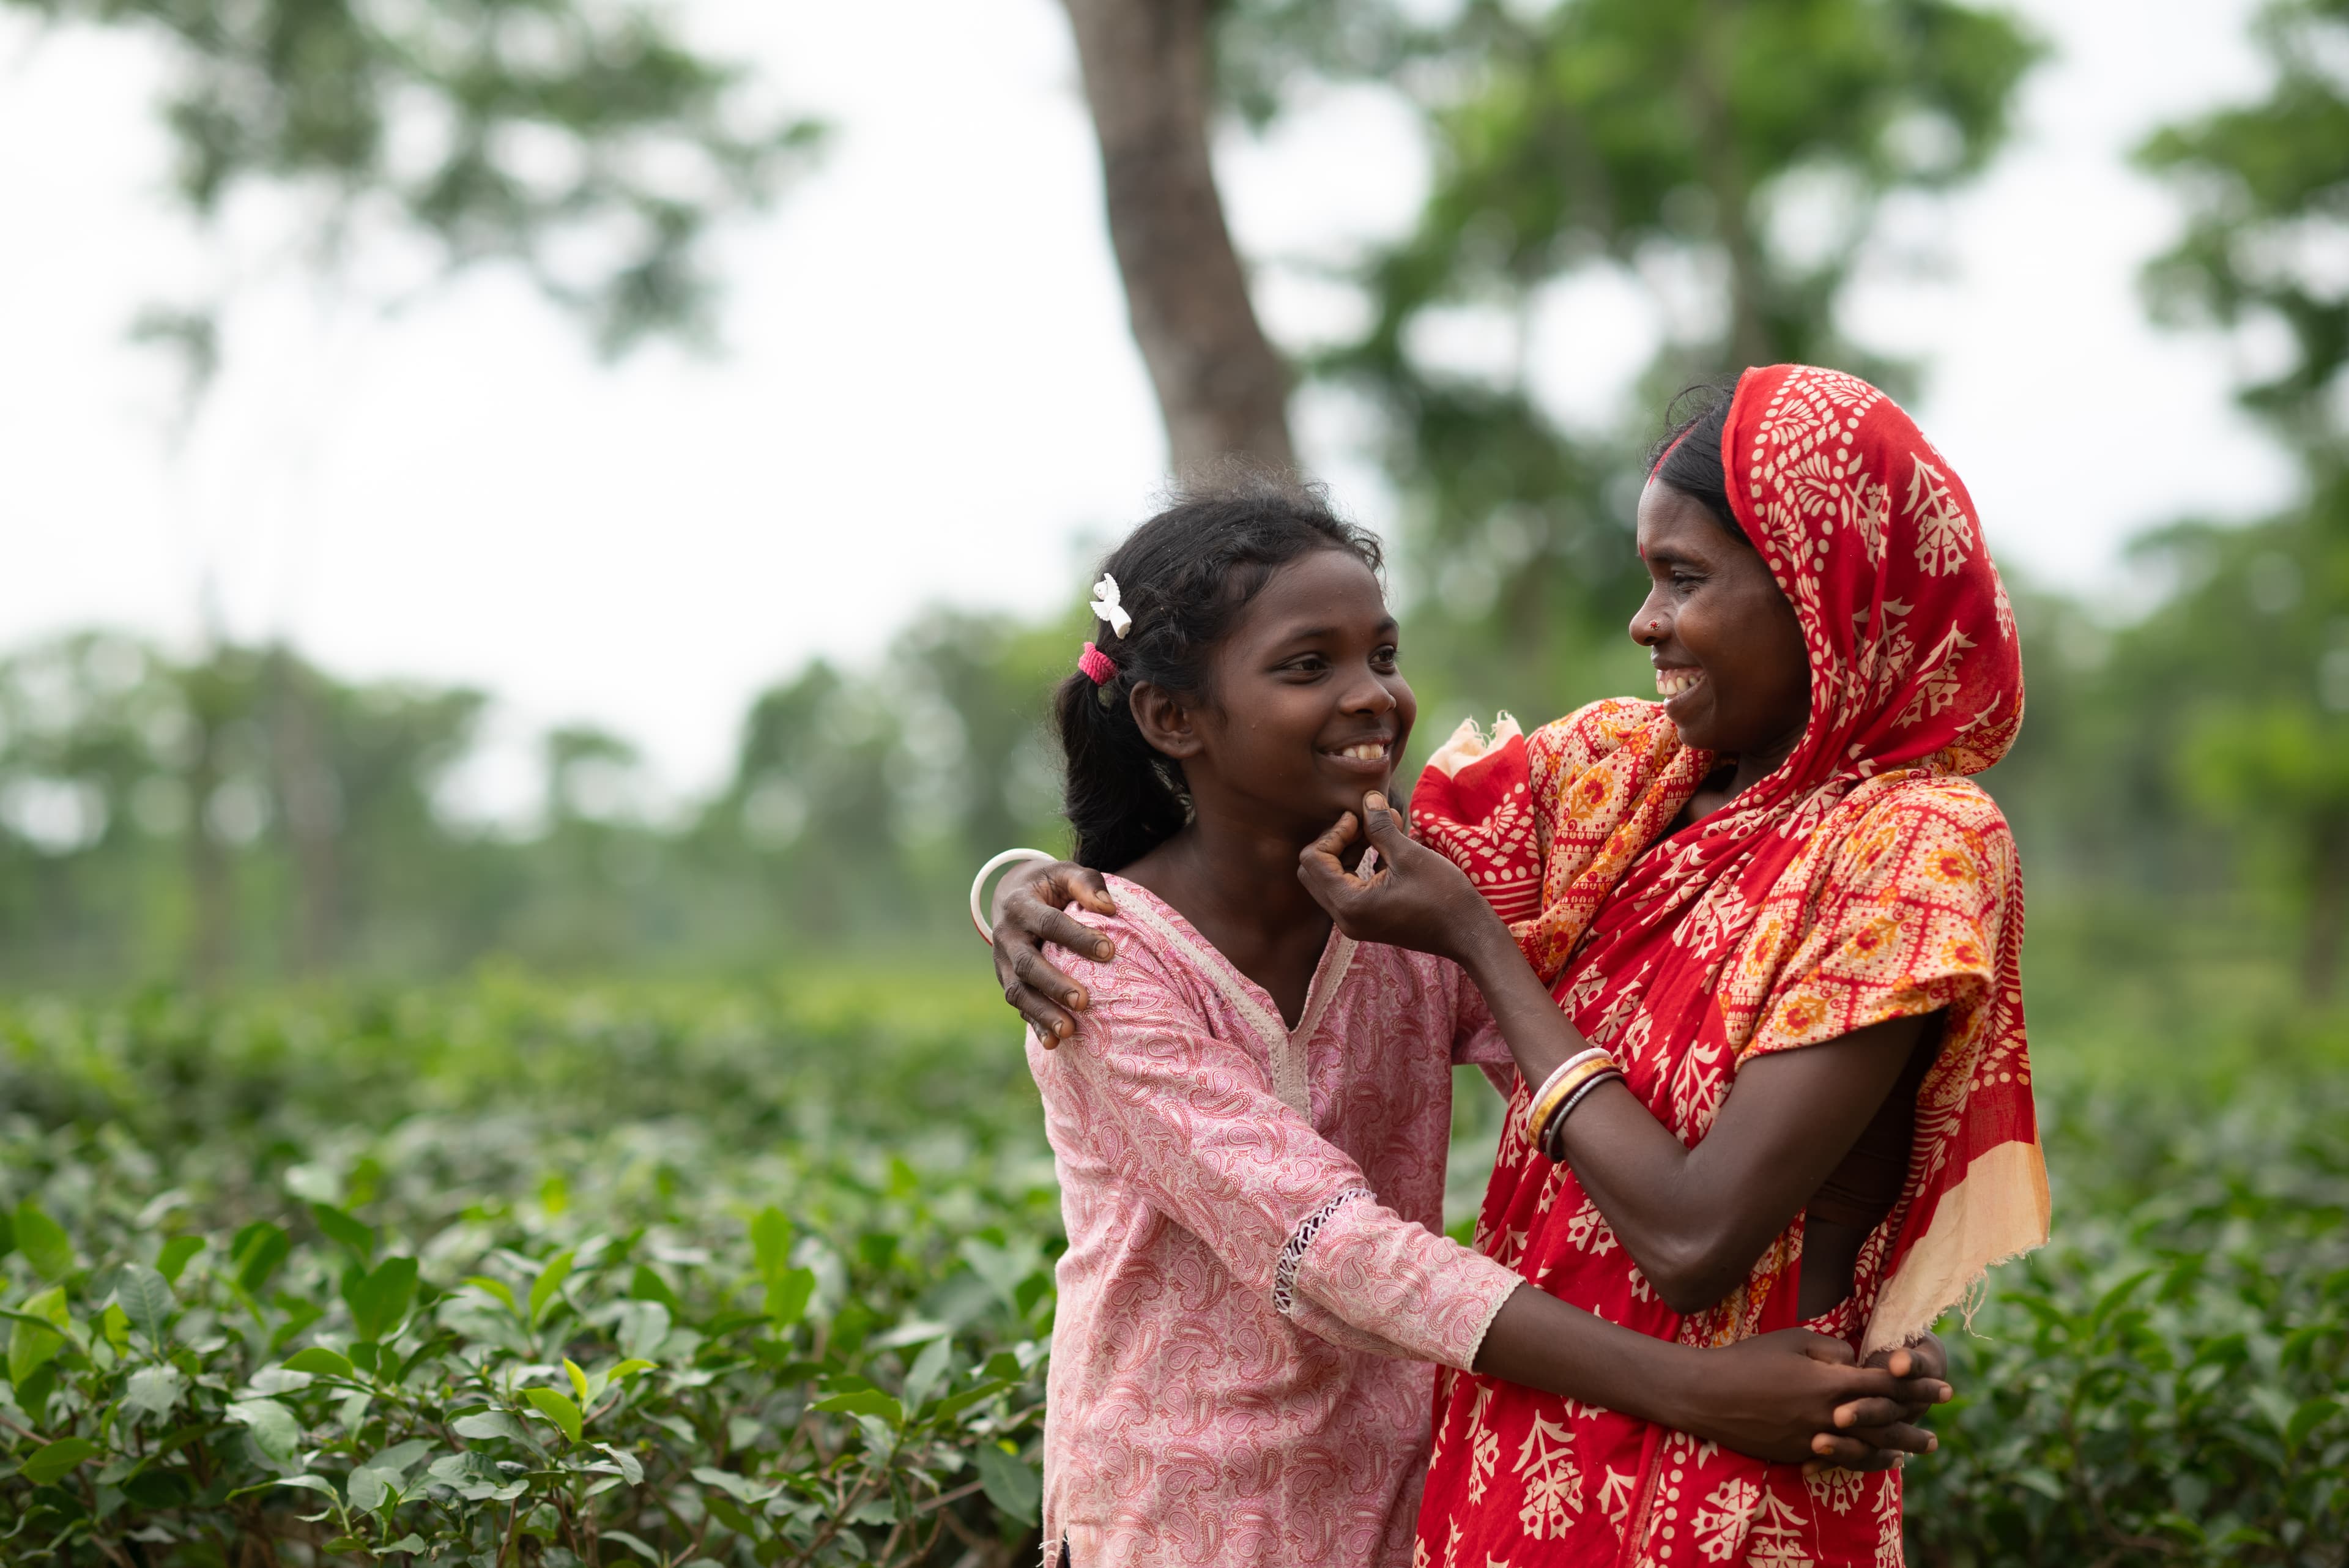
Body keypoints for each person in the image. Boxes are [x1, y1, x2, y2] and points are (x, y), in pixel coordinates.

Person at [987, 477, 1950, 1568]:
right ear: (1172, 718)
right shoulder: (1105, 963)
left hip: (1408, 1508)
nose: (1373, 699)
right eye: (1310, 667)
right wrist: (1703, 1392)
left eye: (1383, 657)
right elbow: (1329, 1247)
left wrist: (1846, 1311)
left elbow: (1625, 1099)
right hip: (1171, 1519)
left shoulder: (1411, 907)